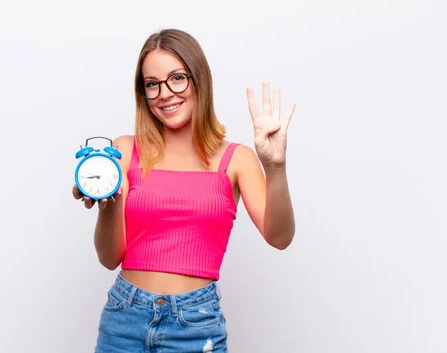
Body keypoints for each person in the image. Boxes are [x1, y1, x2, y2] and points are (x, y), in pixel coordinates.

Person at [72, 28, 297, 353]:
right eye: (152, 84)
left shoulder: (237, 159)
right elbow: (109, 259)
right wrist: (109, 201)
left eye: (177, 78)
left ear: (198, 80)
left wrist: (275, 167)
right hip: (124, 318)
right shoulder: (123, 151)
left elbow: (280, 238)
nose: (165, 93)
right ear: (143, 92)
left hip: (195, 323)